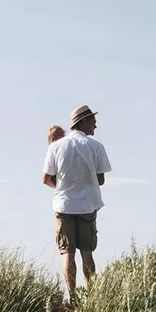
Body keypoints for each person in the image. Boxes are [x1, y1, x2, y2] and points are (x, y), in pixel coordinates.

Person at [42, 104, 111, 301]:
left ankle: (72, 297)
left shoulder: (56, 146)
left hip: (64, 205)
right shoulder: (96, 147)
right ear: (84, 122)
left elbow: (46, 178)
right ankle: (92, 298)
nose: (95, 127)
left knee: (67, 253)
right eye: (93, 122)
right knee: (87, 254)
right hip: (88, 206)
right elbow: (101, 180)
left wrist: (64, 186)